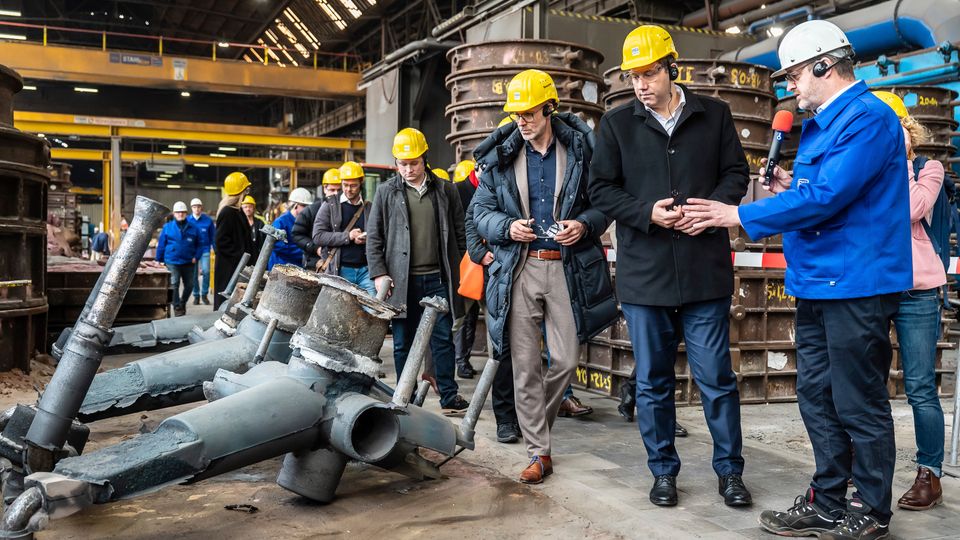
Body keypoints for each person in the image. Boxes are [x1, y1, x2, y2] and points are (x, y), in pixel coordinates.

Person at [683, 20, 911, 540]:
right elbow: (820, 191)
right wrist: (791, 186)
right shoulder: (822, 124)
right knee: (817, 397)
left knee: (858, 401)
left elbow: (828, 198)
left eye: (795, 75)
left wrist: (738, 215)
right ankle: (827, 501)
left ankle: (871, 509)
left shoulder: (868, 118)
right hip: (817, 281)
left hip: (856, 284)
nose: (790, 87)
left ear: (825, 66)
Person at [588, 25, 751, 507]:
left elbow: (736, 173)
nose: (641, 84)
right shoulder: (617, 125)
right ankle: (662, 472)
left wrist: (712, 209)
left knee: (716, 380)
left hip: (704, 273)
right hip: (646, 277)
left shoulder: (714, 115)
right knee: (653, 383)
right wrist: (646, 213)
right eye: (634, 76)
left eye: (650, 73)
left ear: (672, 68)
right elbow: (601, 190)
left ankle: (730, 473)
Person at [472, 69, 616, 484]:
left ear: (549, 108)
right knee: (524, 366)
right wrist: (506, 228)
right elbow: (480, 212)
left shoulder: (580, 152)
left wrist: (584, 225)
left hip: (565, 267)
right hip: (520, 267)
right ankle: (539, 451)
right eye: (516, 114)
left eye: (529, 113)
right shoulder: (501, 157)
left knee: (566, 360)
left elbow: (604, 204)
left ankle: (536, 423)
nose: (522, 121)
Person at [873, 90, 947, 512]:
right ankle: (867, 466)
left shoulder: (927, 168)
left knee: (919, 386)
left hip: (918, 292)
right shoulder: (867, 169)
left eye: (891, 127)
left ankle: (929, 474)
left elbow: (915, 208)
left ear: (906, 129)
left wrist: (898, 159)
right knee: (868, 383)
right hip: (875, 286)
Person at [367, 127, 470, 414]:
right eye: (402, 164)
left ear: (425, 158)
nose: (408, 169)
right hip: (401, 281)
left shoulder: (446, 190)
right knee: (403, 342)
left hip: (437, 278)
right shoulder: (386, 192)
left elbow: (460, 232)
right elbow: (374, 237)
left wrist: (459, 265)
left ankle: (449, 395)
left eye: (413, 163)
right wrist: (379, 273)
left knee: (442, 339)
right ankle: (406, 395)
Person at [313, 161, 375, 294]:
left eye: (353, 185)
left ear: (361, 183)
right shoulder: (329, 205)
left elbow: (380, 236)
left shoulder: (369, 207)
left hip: (366, 271)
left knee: (373, 307)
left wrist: (366, 238)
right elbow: (318, 236)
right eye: (345, 185)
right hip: (340, 271)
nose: (348, 189)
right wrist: (348, 236)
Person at [214, 172, 254, 310]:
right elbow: (221, 242)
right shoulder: (228, 212)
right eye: (246, 190)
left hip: (236, 266)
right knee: (226, 306)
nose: (246, 193)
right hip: (229, 268)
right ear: (240, 192)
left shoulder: (237, 211)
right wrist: (240, 256)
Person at [156, 201, 202, 317]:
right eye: (178, 212)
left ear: (186, 213)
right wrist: (159, 260)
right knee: (174, 283)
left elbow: (200, 244)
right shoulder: (167, 227)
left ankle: (182, 303)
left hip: (189, 261)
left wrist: (196, 256)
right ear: (174, 213)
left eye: (182, 212)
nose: (180, 214)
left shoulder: (194, 228)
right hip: (172, 260)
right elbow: (161, 244)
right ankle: (177, 306)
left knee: (190, 285)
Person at [294, 168, 339, 270]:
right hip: (316, 264)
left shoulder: (348, 210)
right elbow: (297, 234)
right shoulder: (311, 211)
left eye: (339, 190)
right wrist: (315, 248)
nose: (336, 194)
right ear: (324, 189)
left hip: (340, 264)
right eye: (332, 190)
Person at [268, 187, 312, 270]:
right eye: (304, 206)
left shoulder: (305, 222)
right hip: (280, 267)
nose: (307, 209)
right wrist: (304, 252)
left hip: (297, 267)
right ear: (295, 205)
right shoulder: (281, 222)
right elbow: (278, 246)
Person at [188, 198, 215, 305]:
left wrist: (215, 249)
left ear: (201, 208)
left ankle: (204, 294)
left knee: (206, 272)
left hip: (205, 250)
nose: (197, 209)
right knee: (193, 274)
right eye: (194, 207)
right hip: (192, 252)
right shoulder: (187, 220)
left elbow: (213, 236)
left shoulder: (208, 220)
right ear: (191, 208)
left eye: (198, 207)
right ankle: (196, 295)